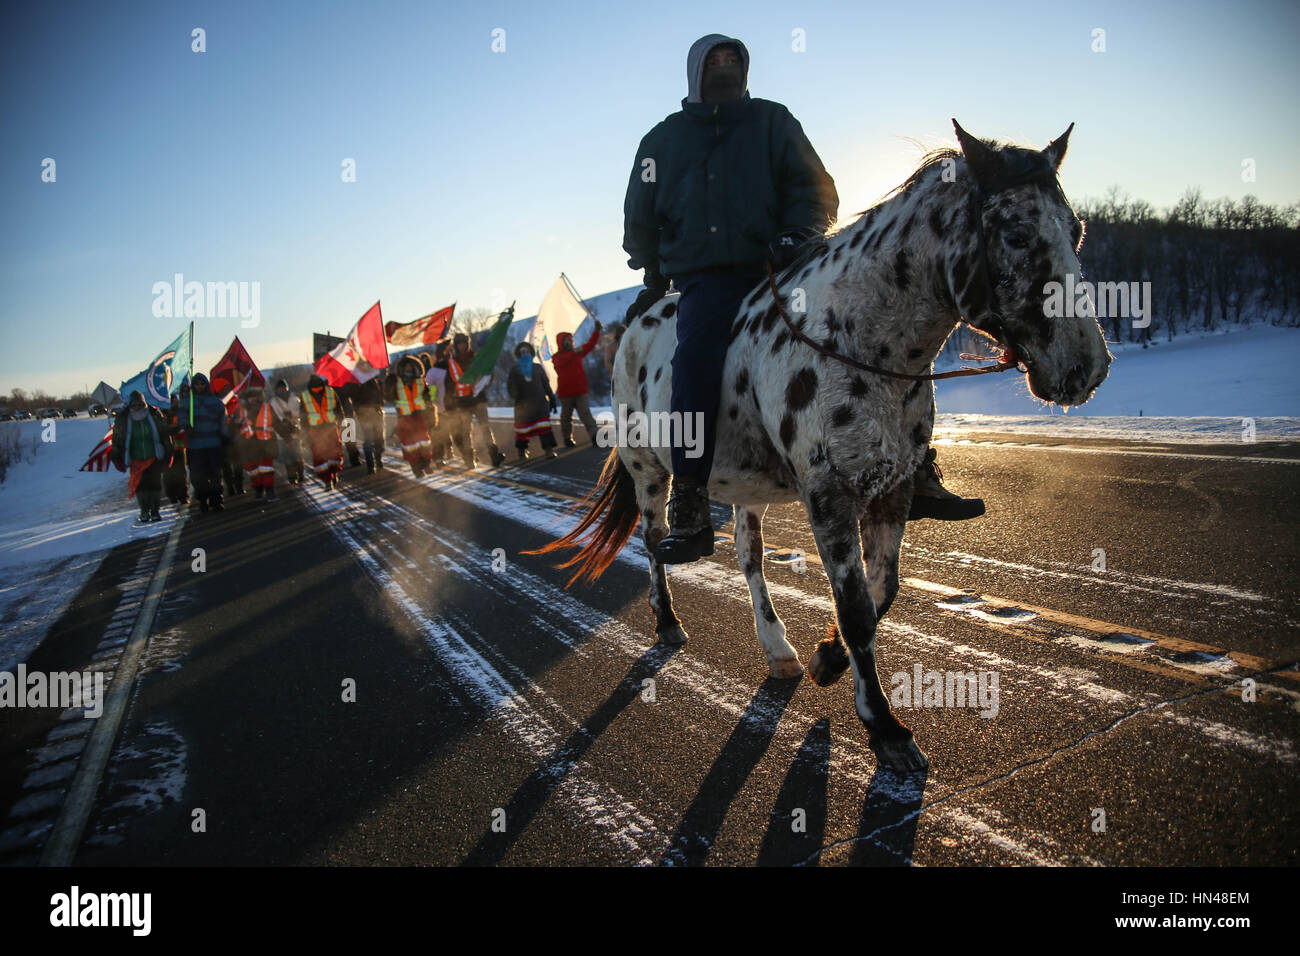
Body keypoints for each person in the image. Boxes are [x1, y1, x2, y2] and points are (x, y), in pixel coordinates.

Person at [623, 34, 983, 564]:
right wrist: (653, 270)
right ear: (695, 72)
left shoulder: (773, 122)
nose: (724, 68)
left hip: (784, 263)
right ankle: (693, 501)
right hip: (709, 278)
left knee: (873, 331)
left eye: (733, 60)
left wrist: (801, 230)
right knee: (695, 359)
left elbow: (816, 186)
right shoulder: (663, 141)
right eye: (714, 61)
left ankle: (917, 465)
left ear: (745, 70)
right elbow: (640, 213)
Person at [111, 390, 173, 523]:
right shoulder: (124, 419)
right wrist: (116, 457)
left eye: (140, 404)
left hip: (154, 456)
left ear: (144, 403)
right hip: (135, 459)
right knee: (141, 486)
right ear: (130, 405)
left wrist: (168, 453)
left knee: (154, 485)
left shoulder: (154, 415)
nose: (137, 407)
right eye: (134, 405)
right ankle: (144, 511)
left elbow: (164, 435)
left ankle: (155, 511)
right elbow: (117, 439)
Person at [445, 331, 506, 468]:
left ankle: (494, 455)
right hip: (463, 402)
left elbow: (486, 374)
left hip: (479, 399)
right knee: (466, 432)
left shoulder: (478, 357)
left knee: (485, 428)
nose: (461, 346)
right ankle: (469, 459)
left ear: (468, 344)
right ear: (456, 345)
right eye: (459, 344)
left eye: (463, 343)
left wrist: (485, 381)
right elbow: (452, 382)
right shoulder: (453, 362)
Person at [179, 372, 229, 512]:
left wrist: (224, 434)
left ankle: (216, 500)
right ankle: (202, 499)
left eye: (202, 384)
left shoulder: (215, 401)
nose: (199, 386)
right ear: (193, 386)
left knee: (215, 474)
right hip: (195, 446)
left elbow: (223, 418)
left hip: (213, 444)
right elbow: (182, 416)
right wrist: (187, 426)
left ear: (206, 385)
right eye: (197, 384)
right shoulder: (187, 402)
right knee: (197, 476)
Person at [552, 322, 603, 447]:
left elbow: (590, 345)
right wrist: (574, 352)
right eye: (567, 340)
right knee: (566, 418)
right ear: (561, 343)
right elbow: (561, 363)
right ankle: (567, 438)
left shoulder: (577, 352)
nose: (570, 342)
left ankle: (594, 435)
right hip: (566, 394)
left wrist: (596, 332)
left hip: (581, 391)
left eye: (571, 340)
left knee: (586, 414)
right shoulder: (557, 357)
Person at [507, 341, 559, 460]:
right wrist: (515, 395)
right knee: (522, 430)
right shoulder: (515, 370)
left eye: (527, 351)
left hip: (540, 404)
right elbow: (511, 386)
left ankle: (548, 450)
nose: (525, 353)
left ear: (531, 353)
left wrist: (552, 399)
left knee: (544, 428)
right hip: (523, 405)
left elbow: (546, 384)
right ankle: (522, 451)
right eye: (522, 352)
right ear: (519, 355)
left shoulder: (537, 367)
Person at [389, 355, 435, 476]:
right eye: (406, 366)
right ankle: (416, 468)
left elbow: (428, 398)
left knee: (424, 441)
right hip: (404, 417)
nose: (409, 368)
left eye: (411, 365)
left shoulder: (421, 381)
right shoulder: (395, 381)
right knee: (410, 444)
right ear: (402, 368)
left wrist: (431, 413)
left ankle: (427, 464)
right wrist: (388, 382)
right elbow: (388, 396)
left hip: (420, 415)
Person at [300, 374, 345, 490]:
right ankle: (332, 475)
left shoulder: (304, 396)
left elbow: (303, 418)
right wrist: (342, 425)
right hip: (329, 429)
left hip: (316, 431)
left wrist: (305, 435)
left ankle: (327, 480)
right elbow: (339, 410)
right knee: (335, 453)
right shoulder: (331, 391)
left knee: (320, 456)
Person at [238, 386, 279, 501]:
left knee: (267, 469)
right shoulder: (241, 411)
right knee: (253, 471)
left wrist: (287, 436)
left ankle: (270, 492)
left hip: (266, 445)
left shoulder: (267, 408)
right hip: (248, 446)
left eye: (256, 396)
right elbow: (234, 428)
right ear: (247, 398)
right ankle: (258, 491)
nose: (254, 399)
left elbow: (277, 424)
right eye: (251, 397)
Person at [268, 379, 306, 485]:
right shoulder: (274, 402)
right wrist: (285, 418)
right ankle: (292, 477)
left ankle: (301, 475)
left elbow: (300, 413)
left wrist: (291, 415)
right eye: (280, 388)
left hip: (295, 431)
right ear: (277, 390)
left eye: (284, 387)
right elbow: (276, 418)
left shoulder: (295, 399)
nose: (283, 390)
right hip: (282, 434)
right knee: (287, 457)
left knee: (298, 455)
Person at [353, 373, 387, 474]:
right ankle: (371, 464)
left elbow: (382, 393)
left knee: (379, 438)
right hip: (365, 413)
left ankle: (378, 459)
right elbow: (353, 396)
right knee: (369, 439)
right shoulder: (357, 381)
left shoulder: (376, 379)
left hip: (376, 411)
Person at [163, 389, 189, 505]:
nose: (173, 402)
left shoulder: (181, 411)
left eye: (174, 400)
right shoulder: (160, 414)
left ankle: (183, 496)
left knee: (181, 473)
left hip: (179, 447)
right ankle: (172, 497)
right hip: (166, 449)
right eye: (171, 400)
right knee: (168, 475)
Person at [222, 393, 247, 497]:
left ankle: (237, 486)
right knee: (228, 466)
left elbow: (244, 421)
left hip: (235, 440)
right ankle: (233, 487)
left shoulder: (239, 408)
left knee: (236, 466)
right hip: (225, 441)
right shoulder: (219, 406)